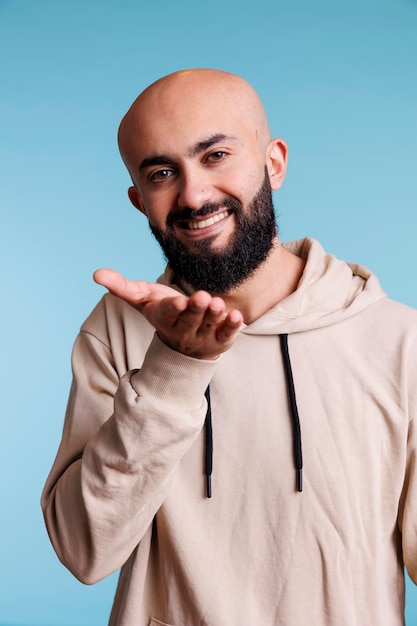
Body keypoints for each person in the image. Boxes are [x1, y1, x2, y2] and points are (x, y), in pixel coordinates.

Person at [41, 68, 417, 626]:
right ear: (139, 201)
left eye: (215, 155)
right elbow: (83, 551)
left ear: (274, 163)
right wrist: (172, 371)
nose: (193, 194)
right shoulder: (117, 331)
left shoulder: (398, 340)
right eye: (162, 172)